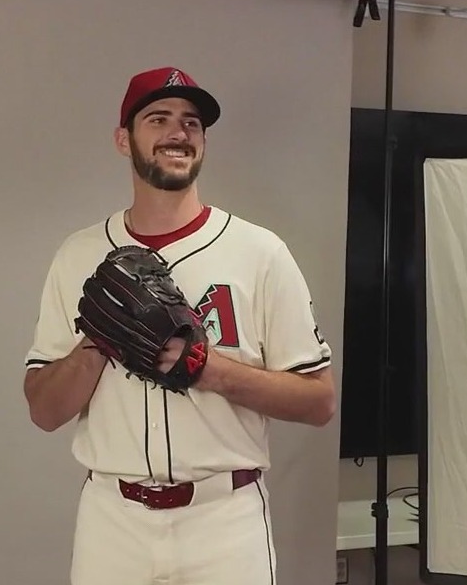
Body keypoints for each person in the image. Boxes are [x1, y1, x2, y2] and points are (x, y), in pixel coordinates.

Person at [23, 66, 336, 585]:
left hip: (224, 521)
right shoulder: (77, 254)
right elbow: (43, 410)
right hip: (112, 521)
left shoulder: (260, 252)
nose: (179, 132)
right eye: (159, 119)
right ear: (124, 140)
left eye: (192, 123)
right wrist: (98, 341)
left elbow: (319, 402)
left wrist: (211, 370)